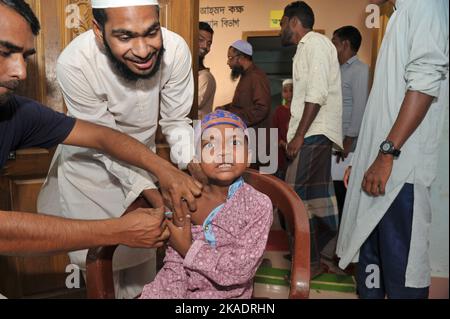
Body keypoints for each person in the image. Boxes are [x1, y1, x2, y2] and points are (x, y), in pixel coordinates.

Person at [37, 0, 202, 299]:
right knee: (102, 274)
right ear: (98, 30)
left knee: (146, 276)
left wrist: (192, 166)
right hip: (91, 174)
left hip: (149, 164)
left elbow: (177, 121)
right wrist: (156, 192)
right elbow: (103, 141)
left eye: (151, 32)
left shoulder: (175, 50)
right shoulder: (75, 62)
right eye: (125, 37)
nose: (142, 50)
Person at [0, 0, 182, 268]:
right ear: (99, 31)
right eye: (5, 52)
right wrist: (117, 230)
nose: (21, 72)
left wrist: (164, 171)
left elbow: (103, 137)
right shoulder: (75, 62)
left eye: (25, 56)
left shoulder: (19, 113)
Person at [336, 0, 448, 299]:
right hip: (379, 169)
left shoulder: (427, 4)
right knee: (371, 277)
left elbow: (424, 84)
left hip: (400, 176)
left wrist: (387, 154)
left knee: (402, 281)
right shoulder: (400, 13)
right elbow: (383, 104)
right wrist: (362, 161)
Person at [140, 110, 273, 299]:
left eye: (234, 142)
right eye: (210, 144)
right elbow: (174, 265)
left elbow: (239, 271)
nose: (223, 151)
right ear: (196, 159)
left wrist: (188, 249)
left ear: (249, 155)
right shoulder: (185, 199)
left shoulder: (258, 206)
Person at [280, 1, 343, 277]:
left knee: (293, 197)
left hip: (314, 132)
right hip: (313, 132)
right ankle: (310, 258)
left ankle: (309, 262)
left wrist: (299, 136)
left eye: (282, 22)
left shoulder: (314, 44)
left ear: (294, 22)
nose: (280, 28)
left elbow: (316, 94)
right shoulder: (307, 48)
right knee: (313, 200)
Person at [331, 25, 370, 216]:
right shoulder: (338, 70)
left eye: (335, 43)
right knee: (334, 194)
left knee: (344, 194)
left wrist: (348, 140)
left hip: (348, 147)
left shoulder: (360, 70)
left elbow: (360, 108)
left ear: (345, 44)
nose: (333, 48)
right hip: (335, 144)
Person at [219, 40, 271, 168]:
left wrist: (233, 118)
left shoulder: (256, 76)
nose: (228, 62)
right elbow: (243, 104)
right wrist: (225, 109)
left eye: (230, 58)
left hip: (257, 142)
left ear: (241, 58)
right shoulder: (247, 75)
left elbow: (261, 108)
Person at [272, 79, 293, 181]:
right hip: (281, 153)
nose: (288, 94)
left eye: (291, 90)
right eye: (285, 91)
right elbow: (274, 132)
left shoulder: (300, 111)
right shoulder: (279, 110)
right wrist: (282, 143)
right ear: (282, 93)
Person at [198, 22, 216, 120]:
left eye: (209, 43)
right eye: (200, 40)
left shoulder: (205, 77)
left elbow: (195, 104)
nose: (205, 46)